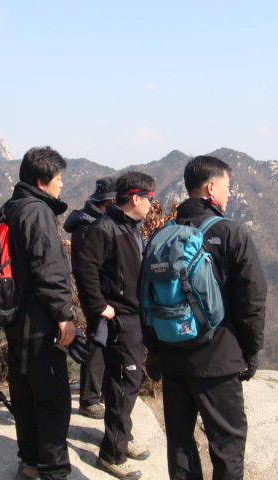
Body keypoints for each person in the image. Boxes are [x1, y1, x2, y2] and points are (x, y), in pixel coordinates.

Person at [144, 155, 267, 480]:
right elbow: (251, 300)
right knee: (227, 444)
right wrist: (251, 350)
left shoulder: (162, 235)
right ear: (211, 187)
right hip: (218, 360)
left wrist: (154, 349)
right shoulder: (231, 233)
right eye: (227, 186)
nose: (230, 193)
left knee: (180, 443)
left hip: (172, 355)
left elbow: (145, 296)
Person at [0, 146, 76, 480]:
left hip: (15, 317)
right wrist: (63, 314)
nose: (61, 184)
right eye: (58, 178)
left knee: (24, 392)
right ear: (42, 181)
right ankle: (53, 471)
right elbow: (49, 267)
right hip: (39, 320)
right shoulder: (38, 211)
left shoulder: (10, 207)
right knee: (53, 397)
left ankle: (29, 462)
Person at [73, 171, 156, 480]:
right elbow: (85, 270)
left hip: (133, 315)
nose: (151, 204)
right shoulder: (105, 228)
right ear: (135, 198)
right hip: (120, 318)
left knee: (120, 382)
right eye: (149, 198)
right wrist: (100, 307)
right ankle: (112, 454)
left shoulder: (130, 226)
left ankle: (123, 436)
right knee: (125, 384)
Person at [64, 176, 117, 420]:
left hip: (100, 292)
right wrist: (98, 301)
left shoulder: (94, 221)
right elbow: (88, 268)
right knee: (98, 340)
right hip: (96, 294)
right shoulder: (88, 227)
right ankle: (90, 399)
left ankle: (97, 392)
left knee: (103, 339)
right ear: (108, 202)